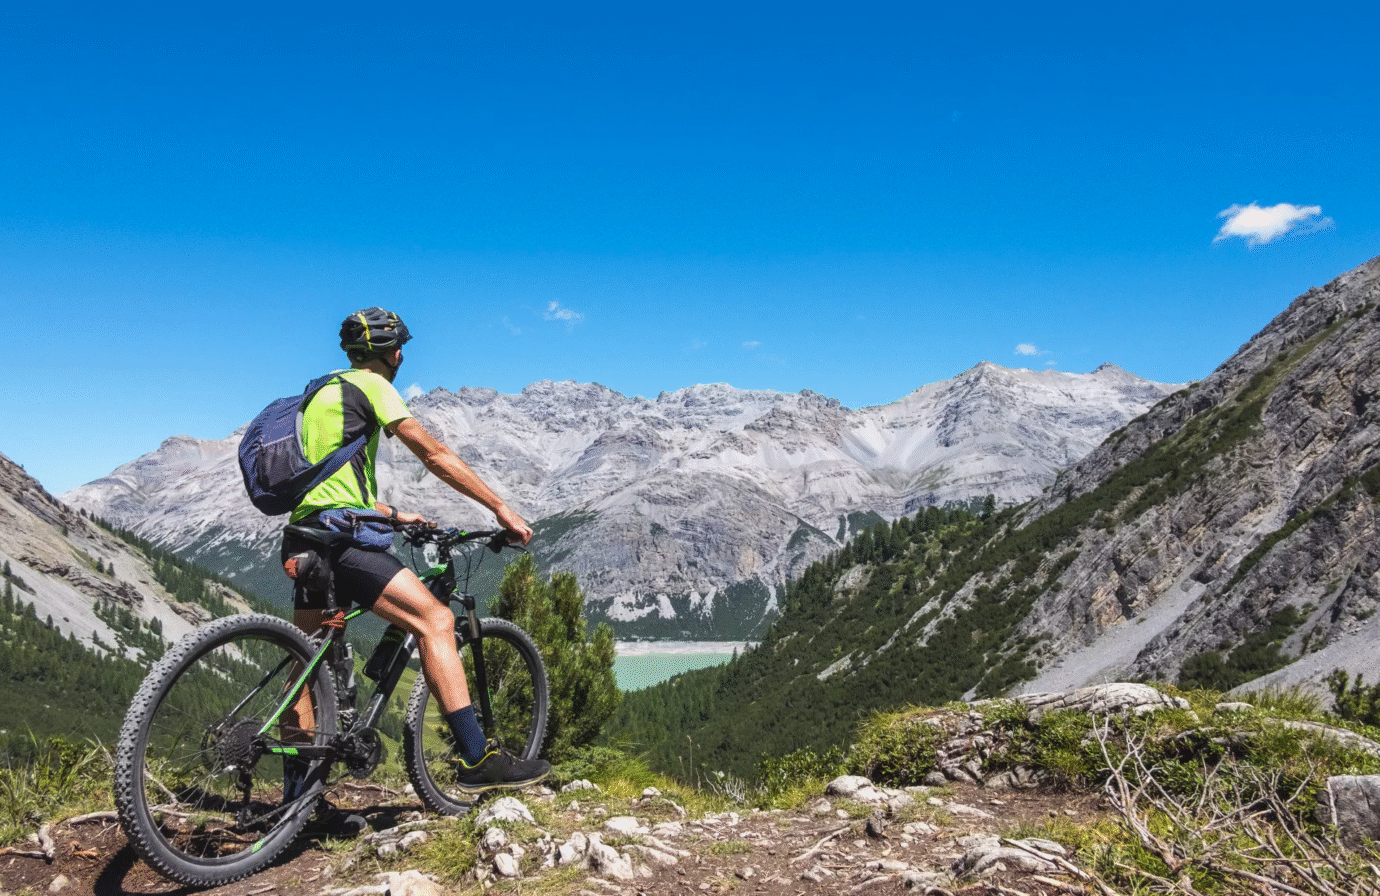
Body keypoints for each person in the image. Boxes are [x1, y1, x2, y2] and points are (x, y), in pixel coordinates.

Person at [279, 307, 550, 824]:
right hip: (342, 541)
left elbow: (324, 483)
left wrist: (394, 513)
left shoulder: (319, 395)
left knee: (306, 666)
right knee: (437, 620)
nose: (402, 355)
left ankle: (298, 805)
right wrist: (499, 508)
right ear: (389, 351)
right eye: (400, 346)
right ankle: (479, 758)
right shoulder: (374, 386)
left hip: (304, 536)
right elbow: (434, 453)